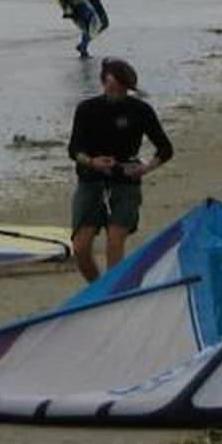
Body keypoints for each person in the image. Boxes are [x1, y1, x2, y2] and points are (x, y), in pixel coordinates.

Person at [67, 58, 173, 282]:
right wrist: (92, 162)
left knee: (114, 241)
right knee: (81, 247)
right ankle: (98, 288)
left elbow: (165, 149)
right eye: (112, 87)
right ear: (103, 83)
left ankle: (114, 289)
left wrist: (145, 168)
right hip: (91, 178)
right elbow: (74, 149)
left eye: (122, 89)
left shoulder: (140, 110)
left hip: (125, 180)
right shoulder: (87, 109)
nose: (116, 93)